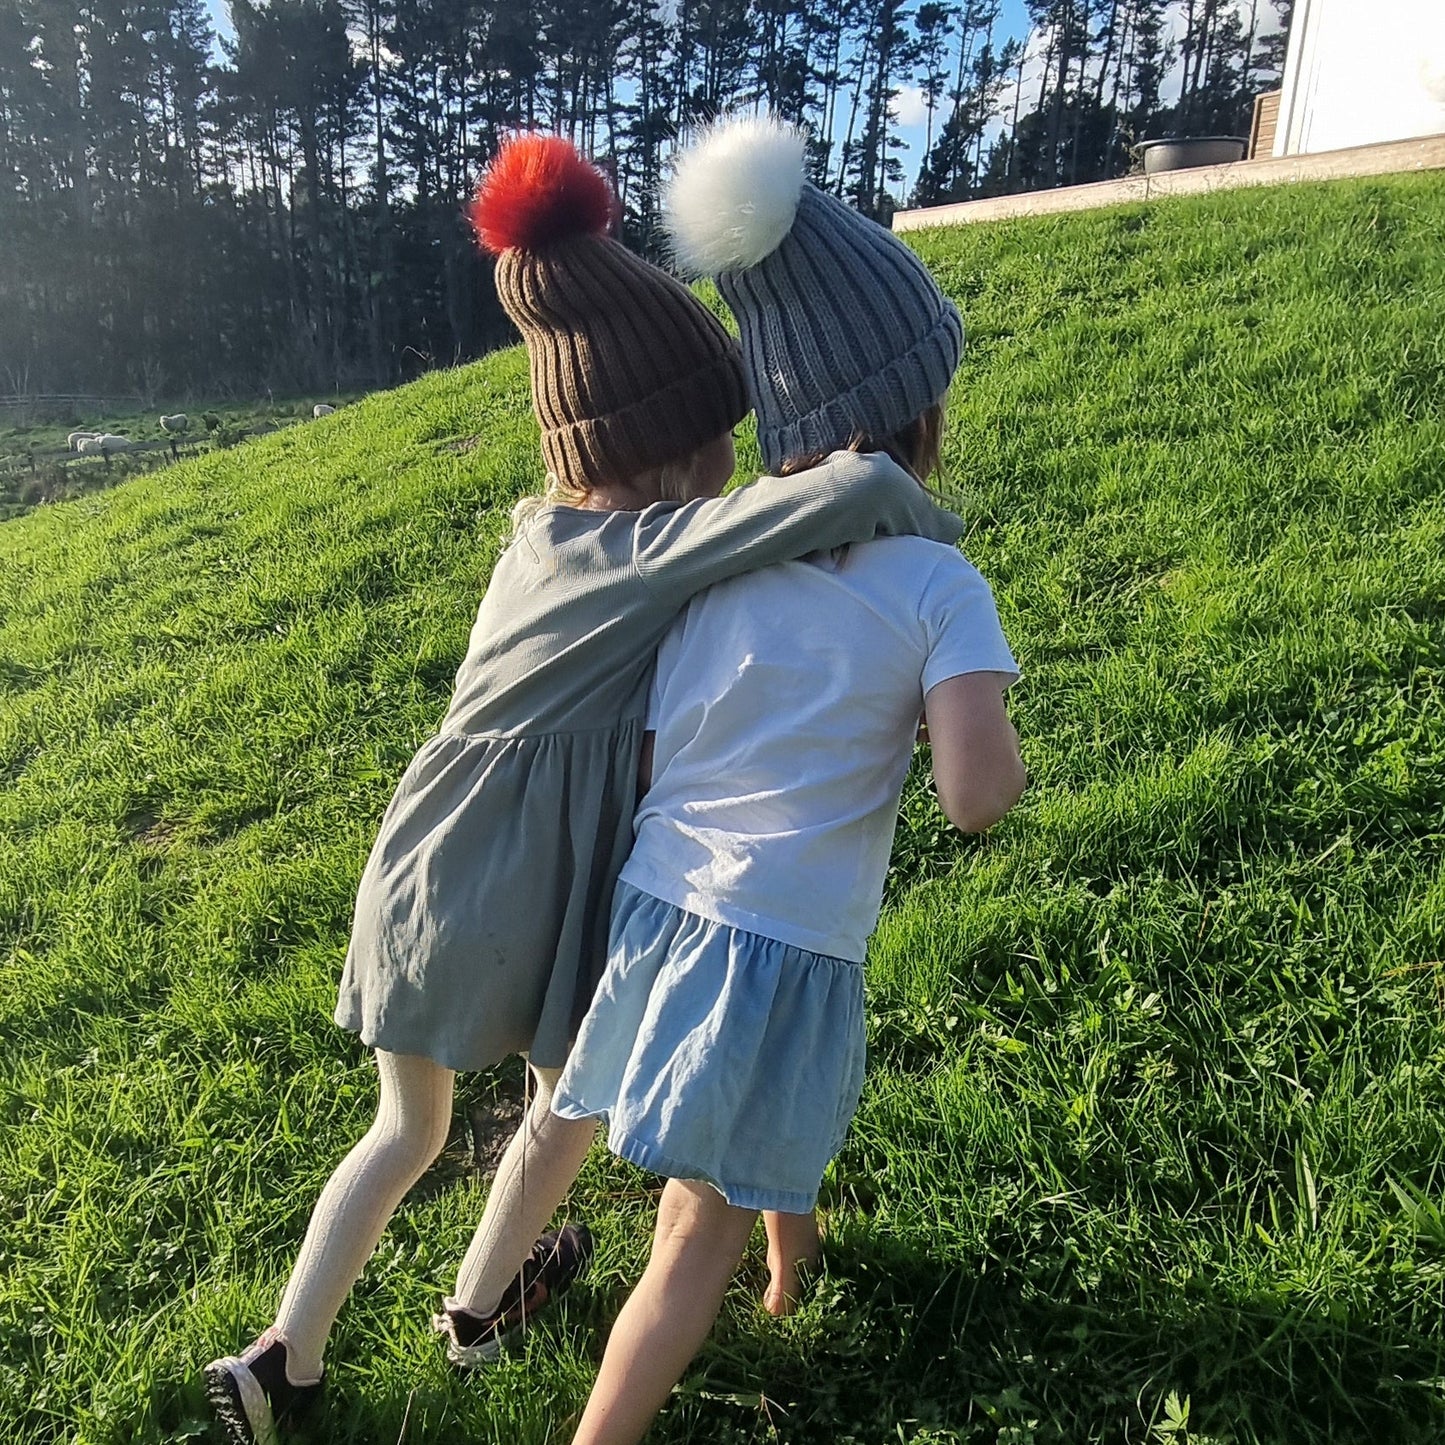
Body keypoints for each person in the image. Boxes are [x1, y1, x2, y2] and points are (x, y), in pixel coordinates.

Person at [201, 134, 965, 1445]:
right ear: (663, 449)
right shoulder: (650, 548)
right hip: (535, 888)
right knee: (556, 1104)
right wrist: (927, 529)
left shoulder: (534, 538)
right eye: (716, 434)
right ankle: (473, 1309)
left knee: (404, 1131)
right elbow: (838, 490)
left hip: (420, 867)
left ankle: (284, 1357)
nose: (730, 456)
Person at [549, 115, 1027, 1445]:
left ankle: (792, 1256)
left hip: (662, 907)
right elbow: (977, 796)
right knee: (685, 1227)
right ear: (921, 413)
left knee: (762, 1128)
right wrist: (964, 730)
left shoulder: (722, 565)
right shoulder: (939, 584)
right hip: (777, 937)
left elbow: (660, 750)